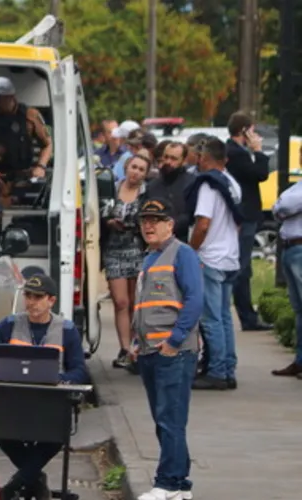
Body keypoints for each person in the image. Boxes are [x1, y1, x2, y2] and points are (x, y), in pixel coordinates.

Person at [0, 273, 89, 500]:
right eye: (28, 296)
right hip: (15, 401)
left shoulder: (67, 330)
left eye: (37, 297)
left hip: (50, 403)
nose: (31, 302)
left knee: (56, 437)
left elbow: (79, 370)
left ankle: (16, 485)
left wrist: (61, 379)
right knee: (3, 433)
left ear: (51, 300)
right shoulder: (9, 324)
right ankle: (34, 479)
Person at [131, 196, 203, 500]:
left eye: (155, 221)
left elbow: (195, 300)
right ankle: (180, 483)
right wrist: (136, 342)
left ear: (170, 225)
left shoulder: (182, 254)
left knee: (170, 419)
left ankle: (168, 484)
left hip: (174, 352)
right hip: (151, 351)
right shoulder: (149, 258)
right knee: (166, 420)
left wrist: (174, 341)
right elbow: (143, 307)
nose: (148, 225)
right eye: (144, 220)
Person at [184, 137, 244, 391]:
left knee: (210, 318)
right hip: (230, 256)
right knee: (224, 317)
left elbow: (203, 223)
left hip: (210, 258)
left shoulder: (208, 185)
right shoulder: (232, 184)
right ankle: (228, 368)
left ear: (204, 157)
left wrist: (190, 250)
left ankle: (217, 372)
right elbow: (238, 222)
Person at [224, 112, 274, 331]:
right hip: (245, 215)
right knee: (242, 267)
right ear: (244, 130)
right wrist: (258, 151)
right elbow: (261, 174)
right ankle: (247, 317)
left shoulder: (235, 152)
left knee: (243, 266)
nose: (255, 135)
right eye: (252, 130)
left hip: (244, 215)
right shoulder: (236, 153)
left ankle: (247, 314)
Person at [102, 154, 149, 370]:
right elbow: (99, 213)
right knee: (120, 302)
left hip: (138, 249)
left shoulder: (147, 193)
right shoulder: (112, 189)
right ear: (126, 167)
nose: (136, 172)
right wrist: (110, 222)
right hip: (114, 249)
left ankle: (135, 347)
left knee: (135, 302)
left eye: (141, 169)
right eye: (133, 167)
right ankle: (124, 348)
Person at [0, 77, 52, 181]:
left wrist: (40, 167)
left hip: (23, 176)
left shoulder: (30, 115)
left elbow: (48, 144)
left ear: (10, 97)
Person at [270, 177, 302, 378]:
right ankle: (299, 361)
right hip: (290, 247)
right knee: (299, 310)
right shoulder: (298, 186)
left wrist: (280, 206)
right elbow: (278, 206)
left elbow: (287, 205)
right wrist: (280, 206)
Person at [143, 142, 194, 242]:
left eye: (173, 159)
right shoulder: (152, 185)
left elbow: (191, 215)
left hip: (182, 241)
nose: (168, 162)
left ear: (183, 161)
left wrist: (167, 227)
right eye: (166, 157)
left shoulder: (192, 183)